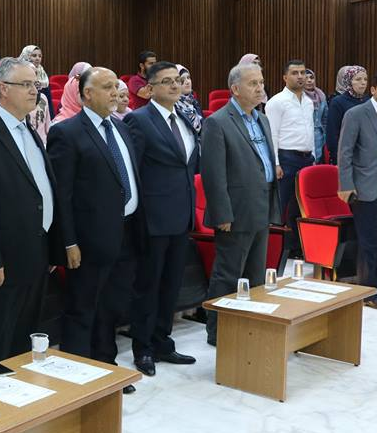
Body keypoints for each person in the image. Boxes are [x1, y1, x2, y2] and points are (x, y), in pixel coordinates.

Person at [47, 67, 142, 392]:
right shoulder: (68, 132)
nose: (116, 93)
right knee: (83, 308)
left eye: (117, 86)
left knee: (112, 307)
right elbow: (63, 194)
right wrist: (68, 242)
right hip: (89, 240)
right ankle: (77, 376)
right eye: (107, 87)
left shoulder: (121, 127)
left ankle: (106, 367)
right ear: (87, 94)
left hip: (126, 232)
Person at [0, 57, 57, 363]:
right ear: (2, 89)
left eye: (36, 84)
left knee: (26, 334)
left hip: (37, 251)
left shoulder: (28, 128)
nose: (35, 92)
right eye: (26, 85)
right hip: (4, 261)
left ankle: (22, 395)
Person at [123, 61, 199, 376]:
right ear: (150, 88)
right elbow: (133, 172)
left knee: (171, 285)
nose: (173, 85)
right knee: (148, 285)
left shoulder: (183, 118)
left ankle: (162, 341)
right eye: (165, 81)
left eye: (177, 80)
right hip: (152, 218)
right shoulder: (138, 120)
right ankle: (142, 348)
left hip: (181, 215)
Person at [200, 62, 281, 345]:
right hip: (234, 212)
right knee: (227, 275)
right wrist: (222, 213)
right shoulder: (218, 122)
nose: (260, 88)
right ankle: (217, 331)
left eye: (261, 82)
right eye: (252, 83)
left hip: (261, 206)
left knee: (256, 275)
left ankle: (249, 325)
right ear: (235, 89)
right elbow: (213, 174)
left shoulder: (262, 118)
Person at [337, 68, 377, 309]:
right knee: (369, 239)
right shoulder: (357, 113)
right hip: (366, 184)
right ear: (373, 90)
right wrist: (345, 185)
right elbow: (344, 151)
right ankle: (368, 290)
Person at [265, 59, 314, 257]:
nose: (300, 76)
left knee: (300, 207)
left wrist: (314, 157)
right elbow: (272, 135)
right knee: (281, 206)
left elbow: (311, 131)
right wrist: (275, 162)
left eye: (303, 73)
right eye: (295, 73)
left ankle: (295, 248)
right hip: (286, 158)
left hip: (306, 158)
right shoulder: (276, 102)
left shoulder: (309, 102)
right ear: (285, 77)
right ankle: (275, 252)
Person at [327, 66, 368, 165]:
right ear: (349, 81)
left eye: (365, 79)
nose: (363, 82)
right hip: (346, 158)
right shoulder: (338, 102)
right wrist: (337, 158)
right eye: (358, 79)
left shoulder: (368, 101)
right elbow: (332, 134)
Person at [19, 45, 52, 145]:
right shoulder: (20, 73)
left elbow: (47, 101)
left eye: (40, 56)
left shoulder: (42, 74)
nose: (37, 58)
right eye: (34, 55)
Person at [304, 69, 328, 162]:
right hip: (306, 138)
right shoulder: (299, 96)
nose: (309, 80)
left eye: (312, 78)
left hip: (320, 138)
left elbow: (325, 119)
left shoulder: (321, 95)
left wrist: (325, 136)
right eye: (306, 78)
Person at [175, 64, 204, 135]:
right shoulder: (173, 106)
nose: (187, 82)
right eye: (182, 80)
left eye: (188, 77)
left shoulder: (194, 102)